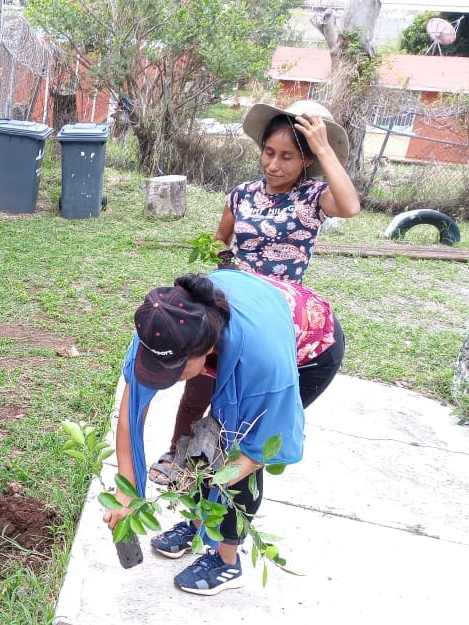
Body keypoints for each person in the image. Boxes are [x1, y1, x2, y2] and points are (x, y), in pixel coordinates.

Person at [150, 100, 360, 485]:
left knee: (243, 409)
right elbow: (219, 242)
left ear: (308, 160)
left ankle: (219, 483)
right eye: (268, 153)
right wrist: (221, 263)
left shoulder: (314, 197)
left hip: (272, 318)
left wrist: (325, 146)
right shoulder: (242, 194)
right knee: (198, 383)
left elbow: (350, 206)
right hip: (229, 305)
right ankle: (179, 451)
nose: (273, 165)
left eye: (287, 157)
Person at [104, 269, 345, 596]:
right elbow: (129, 415)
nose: (165, 379)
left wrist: (208, 476)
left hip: (312, 349)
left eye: (172, 372)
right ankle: (198, 525)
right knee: (205, 443)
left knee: (234, 452)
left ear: (205, 351)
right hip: (251, 320)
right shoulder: (162, 326)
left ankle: (227, 560)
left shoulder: (263, 364)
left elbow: (260, 451)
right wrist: (128, 489)